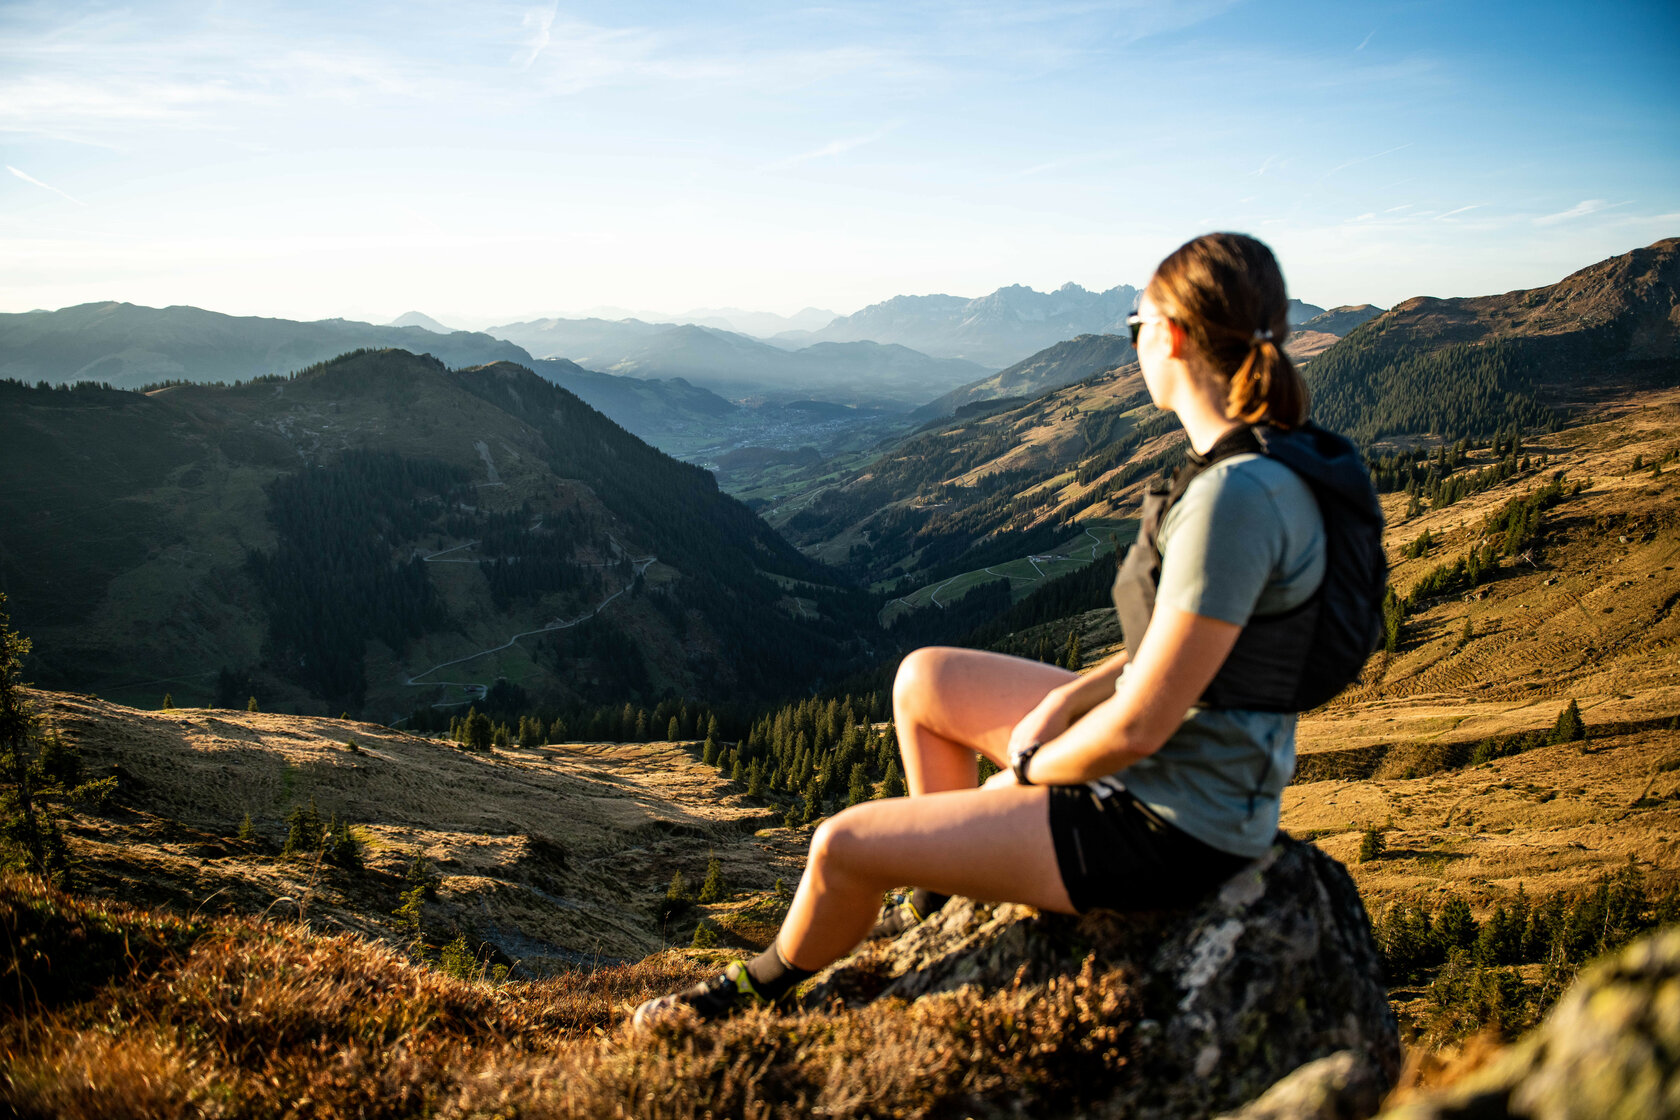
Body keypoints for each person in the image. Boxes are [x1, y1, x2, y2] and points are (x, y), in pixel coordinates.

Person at [633, 232, 1378, 1029]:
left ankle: (754, 992)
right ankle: (941, 893)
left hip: (1172, 821)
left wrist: (1031, 766)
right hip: (1187, 765)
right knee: (924, 678)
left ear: (1172, 336)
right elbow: (1172, 650)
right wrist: (1067, 703)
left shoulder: (1235, 496)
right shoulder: (1265, 463)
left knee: (840, 846)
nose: (1133, 346)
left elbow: (1139, 726)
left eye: (1134, 326)